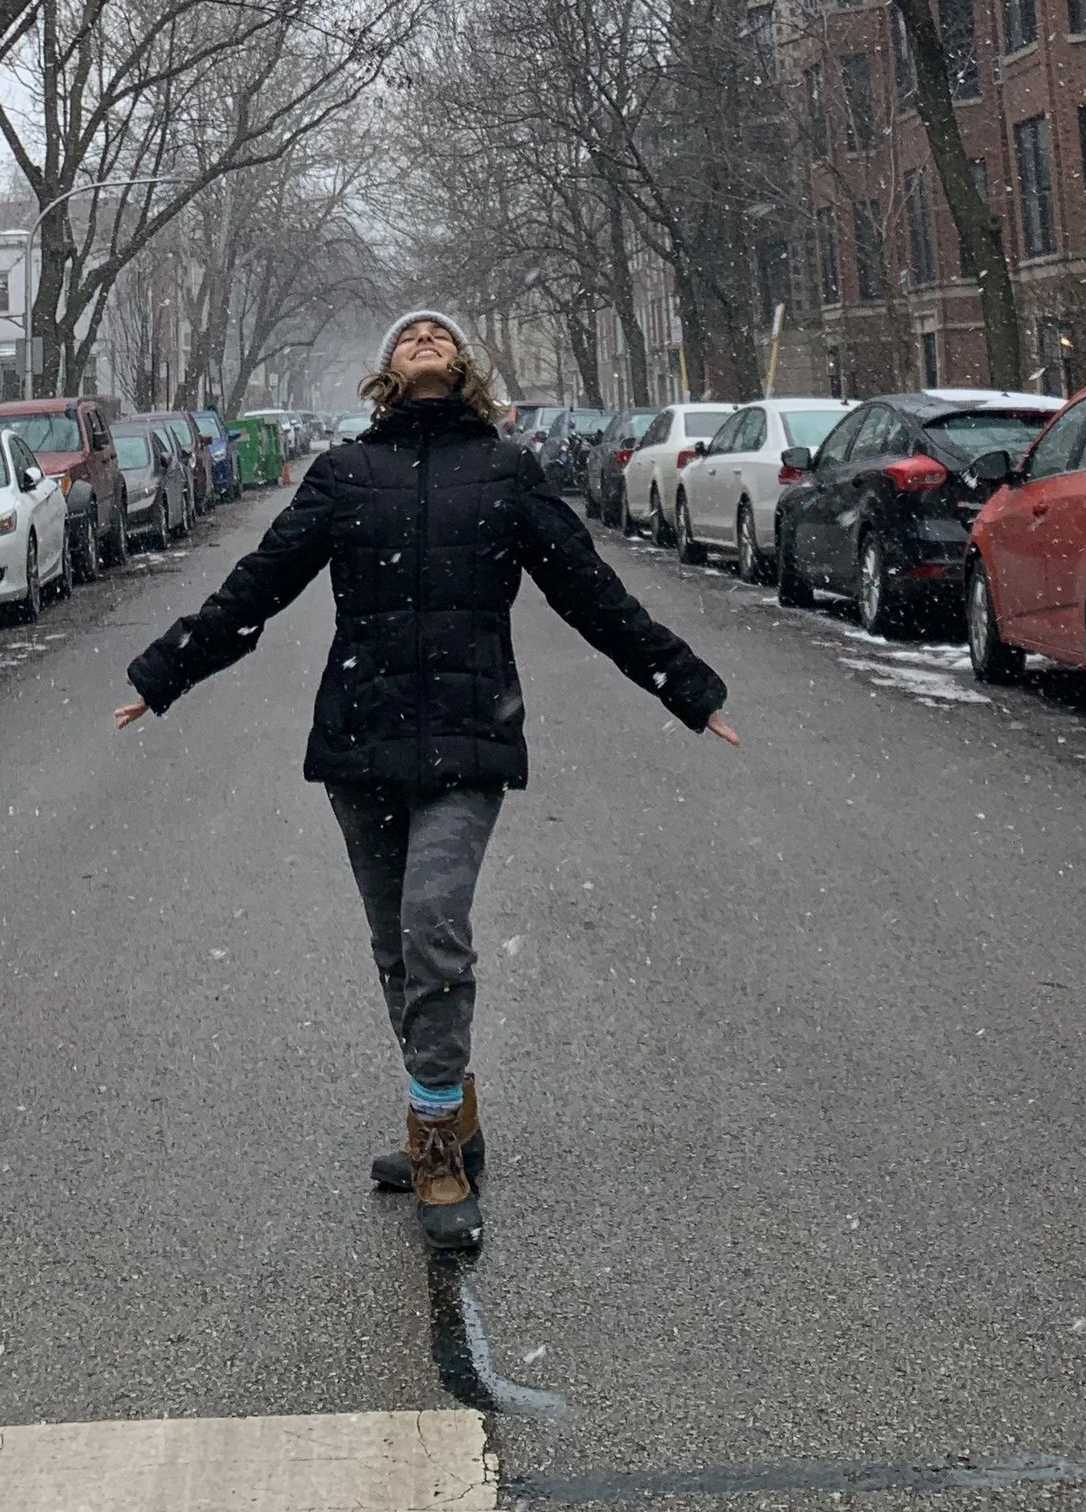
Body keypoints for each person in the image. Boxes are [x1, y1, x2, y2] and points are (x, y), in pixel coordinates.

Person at [116, 310, 736, 1252]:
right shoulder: (343, 473)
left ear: (463, 364)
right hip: (361, 744)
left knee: (432, 925)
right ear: (387, 372)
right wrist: (165, 672)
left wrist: (684, 684)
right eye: (408, 334)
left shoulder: (506, 472)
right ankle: (445, 1110)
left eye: (437, 331)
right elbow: (256, 586)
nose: (423, 337)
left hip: (466, 743)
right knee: (397, 955)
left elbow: (591, 592)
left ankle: (438, 1146)